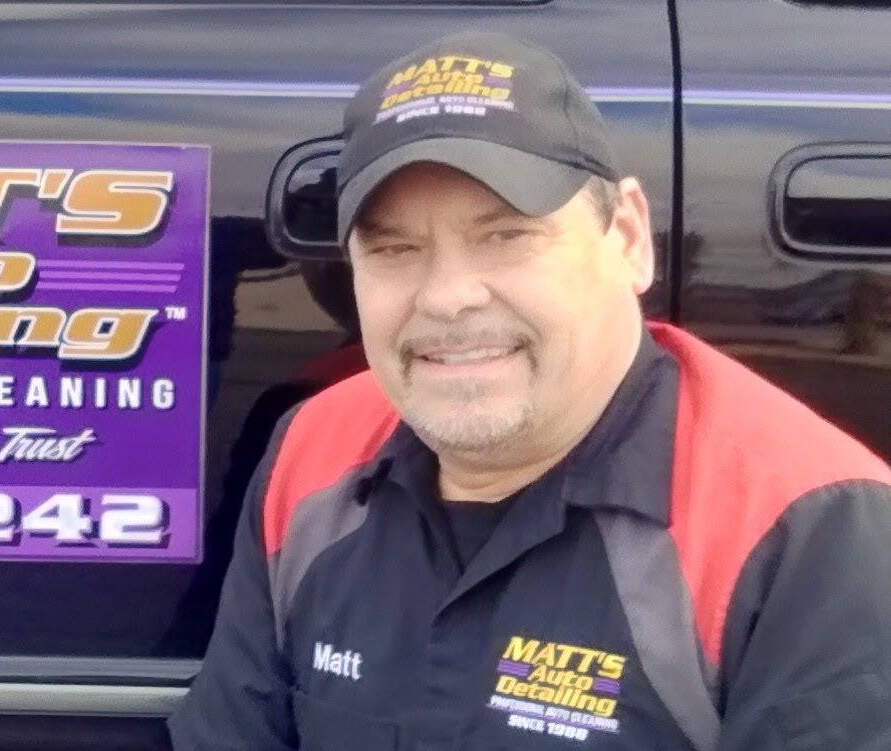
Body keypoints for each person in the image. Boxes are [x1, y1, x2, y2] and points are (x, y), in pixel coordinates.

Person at [168, 30, 891, 751]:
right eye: (394, 250)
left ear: (629, 238)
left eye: (506, 234)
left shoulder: (804, 527)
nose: (447, 296)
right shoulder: (309, 455)